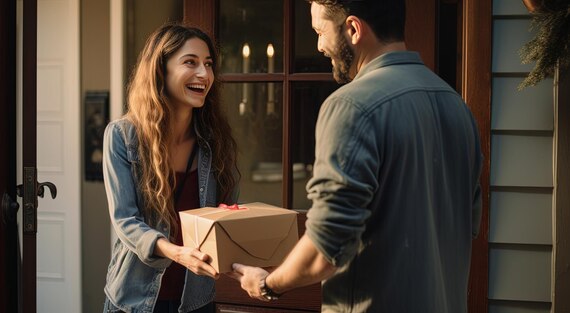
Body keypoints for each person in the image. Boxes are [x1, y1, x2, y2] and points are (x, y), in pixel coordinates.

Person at [229, 1, 483, 312]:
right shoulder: (457, 106)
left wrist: (268, 284)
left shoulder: (351, 106)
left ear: (353, 29)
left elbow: (325, 249)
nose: (319, 46)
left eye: (320, 32)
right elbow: (466, 226)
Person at [102, 22, 239, 313]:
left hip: (196, 300)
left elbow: (229, 216)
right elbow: (125, 220)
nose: (204, 74)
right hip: (133, 299)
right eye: (190, 62)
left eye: (209, 64)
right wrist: (177, 253)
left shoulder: (217, 143)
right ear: (160, 69)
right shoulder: (122, 136)